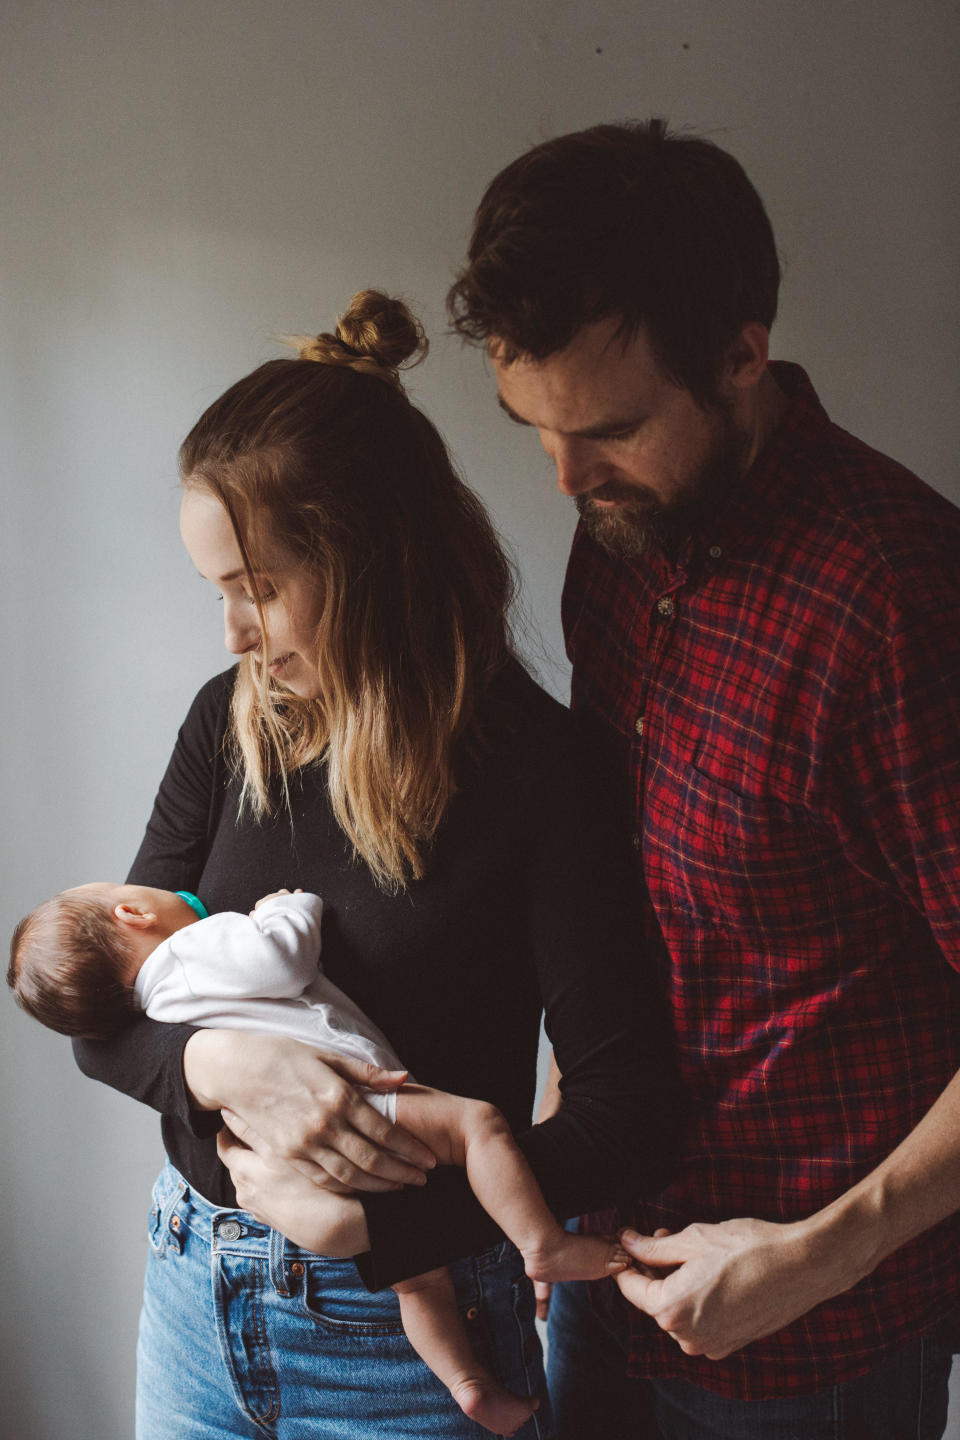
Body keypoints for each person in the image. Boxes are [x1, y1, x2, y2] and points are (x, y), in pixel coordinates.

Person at [67, 289, 681, 1439]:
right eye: (219, 595)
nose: (234, 637)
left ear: (368, 564)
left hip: (404, 1358)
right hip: (195, 1294)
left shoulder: (543, 772)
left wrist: (385, 1231)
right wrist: (223, 1070)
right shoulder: (228, 723)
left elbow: (632, 1110)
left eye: (257, 593)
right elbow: (106, 1001)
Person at [445, 118, 960, 1438]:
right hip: (610, 1258)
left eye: (608, 430)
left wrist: (817, 1256)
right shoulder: (614, 533)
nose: (563, 478)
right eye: (535, 429)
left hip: (818, 1326)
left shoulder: (900, 601)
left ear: (743, 356)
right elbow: (631, 889)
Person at [11, 881, 630, 1436]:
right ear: (132, 911)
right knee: (478, 1125)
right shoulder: (196, 948)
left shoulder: (155, 1009)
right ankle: (540, 1240)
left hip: (293, 1175)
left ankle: (469, 1385)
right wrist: (285, 907)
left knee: (414, 1275)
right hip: (359, 1106)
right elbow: (280, 959)